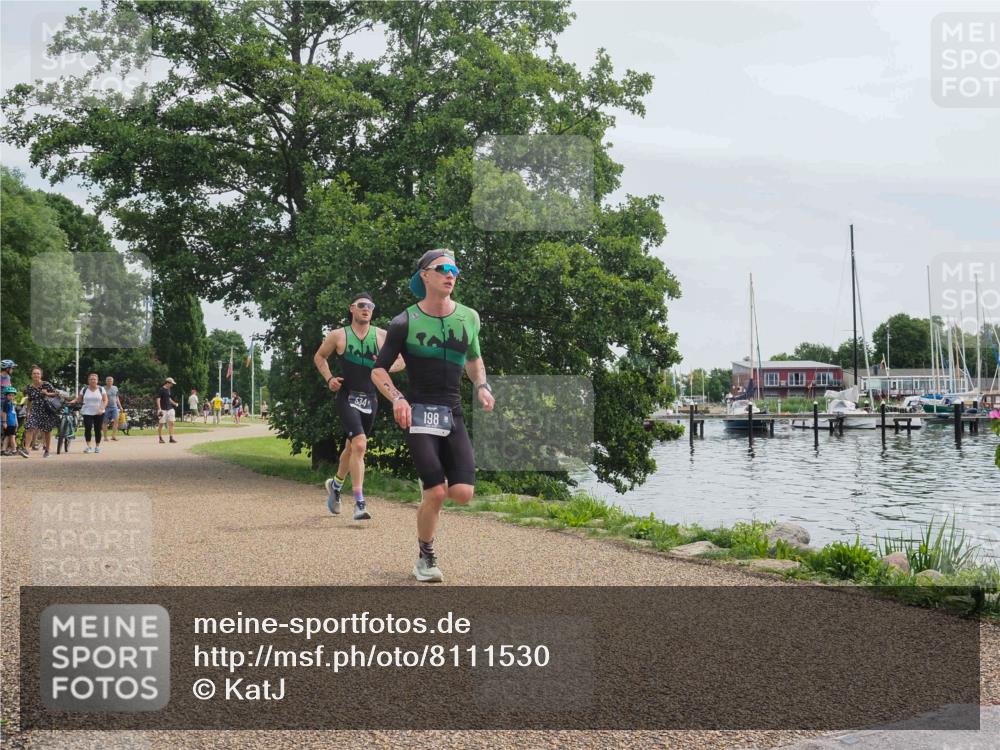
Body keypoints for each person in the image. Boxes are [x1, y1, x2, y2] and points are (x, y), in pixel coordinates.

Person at [372, 250, 495, 582]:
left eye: (454, 269)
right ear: (424, 275)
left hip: (452, 412)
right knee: (437, 492)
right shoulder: (404, 322)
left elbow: (473, 359)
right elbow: (379, 369)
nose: (450, 274)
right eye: (442, 269)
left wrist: (481, 385)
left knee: (463, 493)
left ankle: (427, 495)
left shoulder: (469, 317)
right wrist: (397, 397)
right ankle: (425, 558)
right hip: (419, 412)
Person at [315, 292, 404, 521]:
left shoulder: (382, 336)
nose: (367, 309)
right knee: (361, 445)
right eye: (362, 305)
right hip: (347, 396)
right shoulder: (338, 335)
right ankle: (359, 502)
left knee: (352, 448)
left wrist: (386, 368)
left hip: (371, 398)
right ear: (352, 309)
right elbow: (319, 357)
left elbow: (402, 360)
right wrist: (329, 379)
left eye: (370, 306)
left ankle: (335, 486)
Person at [22, 365, 61, 458]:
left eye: (38, 373)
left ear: (41, 375)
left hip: (47, 409)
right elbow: (30, 400)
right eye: (34, 373)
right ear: (31, 375)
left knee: (46, 430)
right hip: (35, 410)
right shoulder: (29, 388)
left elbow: (56, 393)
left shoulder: (46, 384)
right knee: (30, 427)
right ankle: (26, 449)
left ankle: (47, 449)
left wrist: (47, 393)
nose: (36, 375)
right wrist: (27, 413)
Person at [69, 372, 109, 454]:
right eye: (91, 379)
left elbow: (105, 400)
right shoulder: (84, 389)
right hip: (87, 412)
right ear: (88, 380)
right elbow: (79, 399)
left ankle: (97, 447)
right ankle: (88, 446)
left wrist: (102, 408)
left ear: (97, 380)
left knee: (98, 429)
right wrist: (72, 402)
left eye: (94, 379)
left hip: (99, 412)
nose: (93, 381)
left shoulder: (101, 389)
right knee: (88, 428)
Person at [156, 377, 179, 444]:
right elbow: (158, 399)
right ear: (168, 383)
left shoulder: (169, 390)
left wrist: (174, 403)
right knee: (161, 424)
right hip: (163, 409)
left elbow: (169, 399)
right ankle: (160, 438)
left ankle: (171, 438)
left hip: (170, 409)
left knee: (172, 423)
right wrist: (159, 408)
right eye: (171, 383)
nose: (172, 385)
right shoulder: (161, 390)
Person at [103, 376, 123, 440]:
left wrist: (120, 406)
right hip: (106, 407)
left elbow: (117, 398)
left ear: (112, 381)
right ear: (106, 381)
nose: (109, 382)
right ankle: (105, 437)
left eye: (111, 381)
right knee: (105, 422)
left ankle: (113, 436)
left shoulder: (115, 388)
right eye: (108, 381)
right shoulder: (103, 388)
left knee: (116, 421)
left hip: (114, 407)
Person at [1, 386, 18, 456]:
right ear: (6, 395)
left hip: (12, 423)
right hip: (9, 423)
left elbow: (14, 413)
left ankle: (3, 450)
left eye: (13, 395)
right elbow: (4, 413)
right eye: (9, 395)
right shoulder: (6, 403)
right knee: (12, 436)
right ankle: (14, 450)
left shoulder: (11, 403)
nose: (11, 397)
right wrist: (4, 422)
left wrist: (16, 422)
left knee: (7, 437)